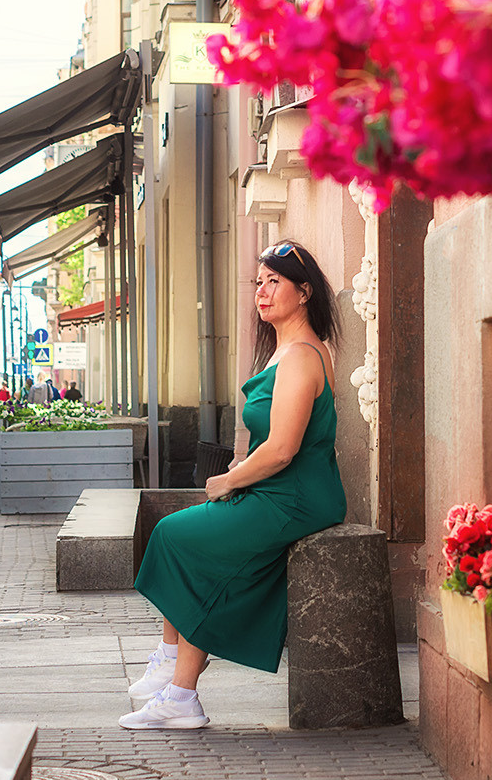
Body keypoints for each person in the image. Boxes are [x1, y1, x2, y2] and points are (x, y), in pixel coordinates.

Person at [122, 240, 346, 730]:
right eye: (258, 282)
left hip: (295, 497)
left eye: (274, 282)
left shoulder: (302, 355)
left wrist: (227, 480)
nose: (261, 292)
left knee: (174, 536)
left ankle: (170, 664)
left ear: (304, 292)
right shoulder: (286, 351)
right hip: (279, 490)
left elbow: (282, 448)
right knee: (187, 546)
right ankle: (180, 692)